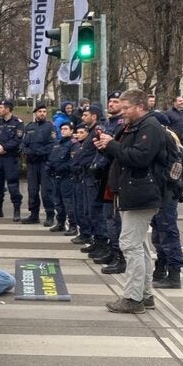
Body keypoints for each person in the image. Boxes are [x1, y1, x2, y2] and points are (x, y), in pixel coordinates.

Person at [93, 89, 166, 313]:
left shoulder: (149, 127)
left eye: (126, 108)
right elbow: (125, 155)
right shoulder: (136, 126)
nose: (122, 112)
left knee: (130, 245)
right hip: (135, 192)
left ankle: (133, 298)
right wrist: (108, 147)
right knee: (139, 246)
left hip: (141, 193)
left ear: (140, 106)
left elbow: (140, 158)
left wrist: (112, 145)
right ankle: (144, 295)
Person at [150, 114, 183, 290]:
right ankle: (161, 268)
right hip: (161, 192)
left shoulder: (166, 139)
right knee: (159, 233)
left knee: (167, 232)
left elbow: (175, 170)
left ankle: (173, 273)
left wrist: (164, 184)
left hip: (166, 193)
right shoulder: (164, 138)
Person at [96, 92, 127, 272]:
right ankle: (112, 250)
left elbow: (119, 151)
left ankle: (119, 255)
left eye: (116, 102)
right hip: (106, 174)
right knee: (108, 217)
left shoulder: (121, 125)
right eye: (110, 101)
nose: (111, 104)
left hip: (116, 175)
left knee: (115, 219)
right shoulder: (108, 123)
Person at [73, 106, 109, 258]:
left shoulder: (98, 131)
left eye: (86, 115)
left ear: (94, 117)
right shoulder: (91, 132)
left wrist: (94, 167)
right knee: (89, 211)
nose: (83, 118)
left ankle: (102, 243)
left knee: (96, 211)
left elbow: (98, 154)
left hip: (93, 177)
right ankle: (96, 240)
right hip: (86, 175)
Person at [20, 103, 56, 226]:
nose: (42, 113)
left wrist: (38, 152)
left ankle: (50, 215)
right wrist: (28, 152)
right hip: (32, 163)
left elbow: (52, 144)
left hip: (44, 162)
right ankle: (34, 215)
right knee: (32, 190)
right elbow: (23, 144)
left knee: (46, 191)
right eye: (40, 111)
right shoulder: (29, 126)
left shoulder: (49, 127)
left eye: (44, 111)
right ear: (35, 113)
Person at [0, 99, 25, 221]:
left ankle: (16, 210)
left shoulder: (18, 123)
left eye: (1, 107)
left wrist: (4, 147)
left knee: (13, 185)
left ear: (8, 109)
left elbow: (17, 139)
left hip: (11, 158)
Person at [46, 122, 76, 234]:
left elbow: (72, 161)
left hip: (67, 177)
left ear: (71, 131)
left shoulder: (73, 144)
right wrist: (48, 168)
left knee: (68, 202)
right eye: (62, 129)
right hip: (56, 177)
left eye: (66, 129)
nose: (63, 131)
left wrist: (61, 168)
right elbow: (51, 159)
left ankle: (73, 225)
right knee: (57, 201)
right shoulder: (57, 144)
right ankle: (60, 223)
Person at [165, 96, 183, 182]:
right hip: (174, 140)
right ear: (174, 103)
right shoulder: (168, 113)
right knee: (174, 157)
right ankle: (174, 176)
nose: (182, 102)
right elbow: (166, 126)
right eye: (180, 101)